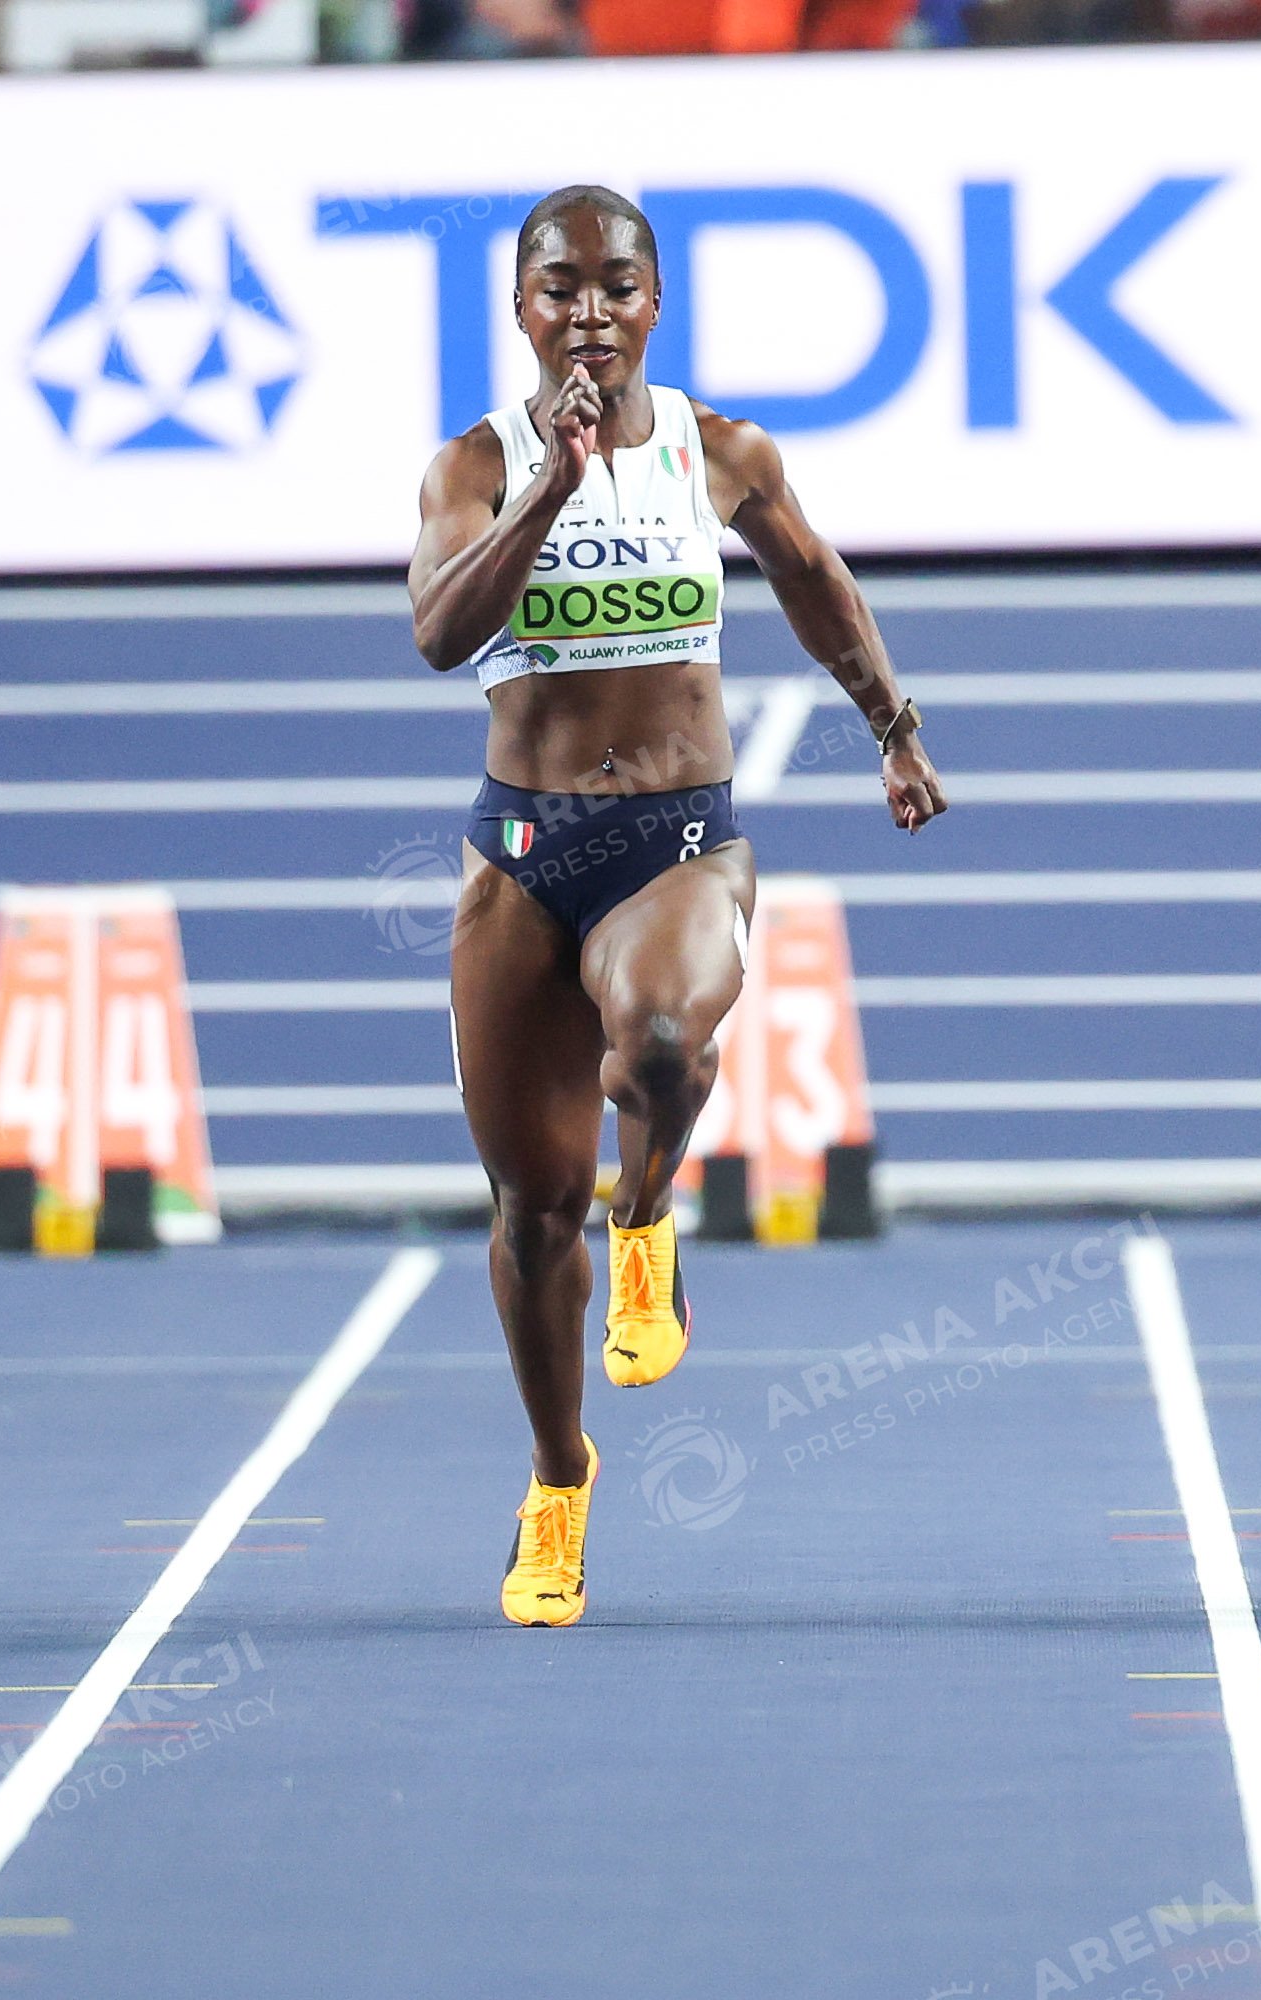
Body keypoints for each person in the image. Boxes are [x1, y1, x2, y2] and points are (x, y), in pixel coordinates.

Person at [407, 186, 948, 1624]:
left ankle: (645, 1216)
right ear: (521, 310)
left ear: (655, 303)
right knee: (531, 1213)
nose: (589, 312)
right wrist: (550, 491)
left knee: (657, 1042)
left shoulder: (721, 453)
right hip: (522, 852)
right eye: (561, 287)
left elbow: (816, 582)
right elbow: (440, 633)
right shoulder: (474, 466)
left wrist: (891, 726)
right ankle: (558, 1479)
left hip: (679, 840)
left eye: (616, 285)